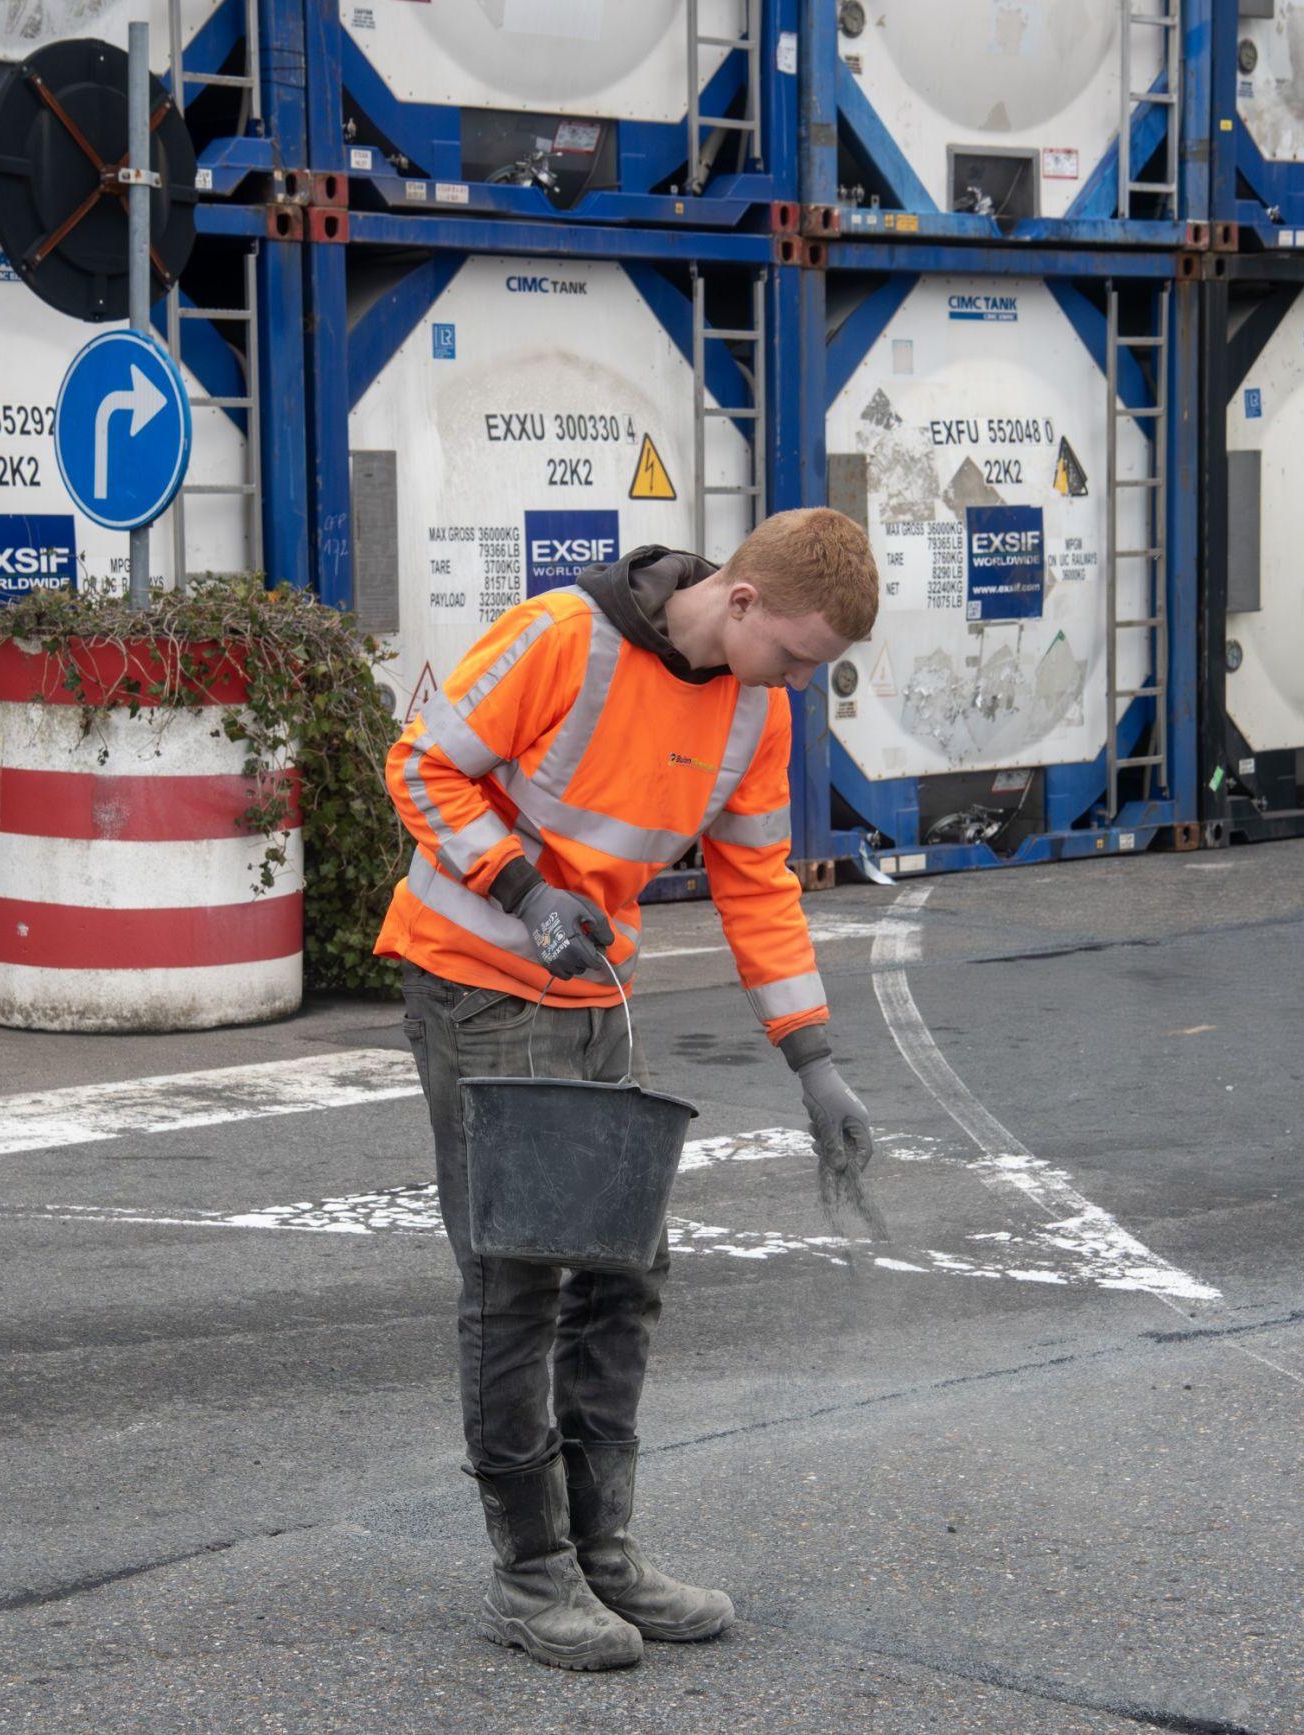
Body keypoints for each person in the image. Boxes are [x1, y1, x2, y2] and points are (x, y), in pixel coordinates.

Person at [375, 507, 884, 1672]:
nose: (805, 682)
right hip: (473, 984)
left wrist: (812, 1060)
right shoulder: (559, 635)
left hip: (590, 994)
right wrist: (517, 884)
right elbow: (419, 762)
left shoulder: (756, 707)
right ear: (741, 602)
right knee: (517, 1281)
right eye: (800, 653)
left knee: (620, 1276)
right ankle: (529, 1575)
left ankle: (601, 1554)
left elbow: (756, 883)